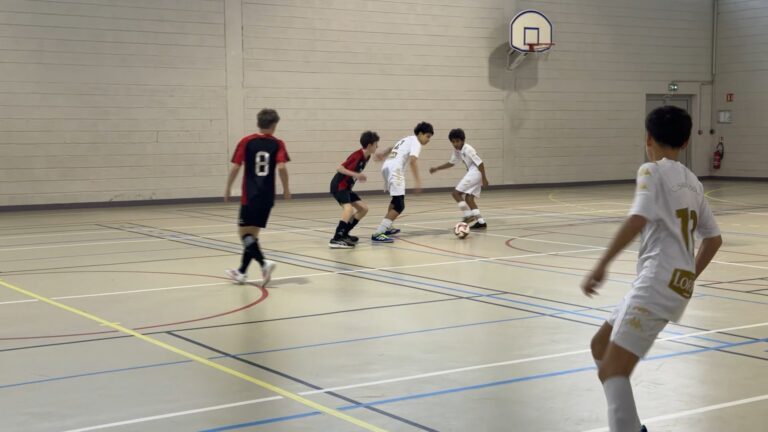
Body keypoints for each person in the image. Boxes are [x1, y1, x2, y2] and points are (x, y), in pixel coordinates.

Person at [581, 106, 722, 432]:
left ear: (648, 138)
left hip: (656, 282)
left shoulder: (651, 171)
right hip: (661, 282)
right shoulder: (693, 182)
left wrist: (601, 265)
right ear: (686, 142)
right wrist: (686, 278)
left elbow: (637, 218)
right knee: (600, 347)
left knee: (613, 370)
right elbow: (713, 240)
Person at [224, 108, 291, 287]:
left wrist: (228, 187)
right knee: (252, 235)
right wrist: (286, 189)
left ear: (258, 122)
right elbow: (282, 168)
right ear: (275, 125)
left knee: (244, 233)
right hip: (267, 197)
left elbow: (236, 167)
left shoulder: (246, 142)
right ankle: (241, 272)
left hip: (250, 195)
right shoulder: (278, 143)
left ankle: (264, 263)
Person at [370, 122, 434, 243]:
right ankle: (379, 232)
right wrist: (418, 181)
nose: (428, 140)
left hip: (387, 167)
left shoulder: (406, 139)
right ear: (420, 134)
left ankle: (387, 226)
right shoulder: (416, 142)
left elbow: (392, 148)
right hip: (395, 170)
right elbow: (413, 161)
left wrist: (383, 154)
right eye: (428, 136)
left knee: (395, 201)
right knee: (400, 205)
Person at [428, 128, 490, 228]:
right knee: (469, 199)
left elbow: (480, 163)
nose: (455, 144)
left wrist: (484, 178)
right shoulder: (457, 151)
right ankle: (481, 222)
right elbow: (451, 163)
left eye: (457, 141)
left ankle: (468, 215)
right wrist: (437, 168)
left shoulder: (468, 149)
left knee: (456, 193)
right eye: (453, 142)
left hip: (476, 172)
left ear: (463, 140)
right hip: (474, 173)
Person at [328, 131, 379, 248]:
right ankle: (336, 239)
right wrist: (356, 175)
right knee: (349, 209)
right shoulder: (357, 155)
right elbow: (339, 168)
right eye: (376, 144)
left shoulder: (367, 156)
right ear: (370, 145)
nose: (378, 146)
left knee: (363, 209)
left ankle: (344, 234)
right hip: (339, 186)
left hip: (346, 187)